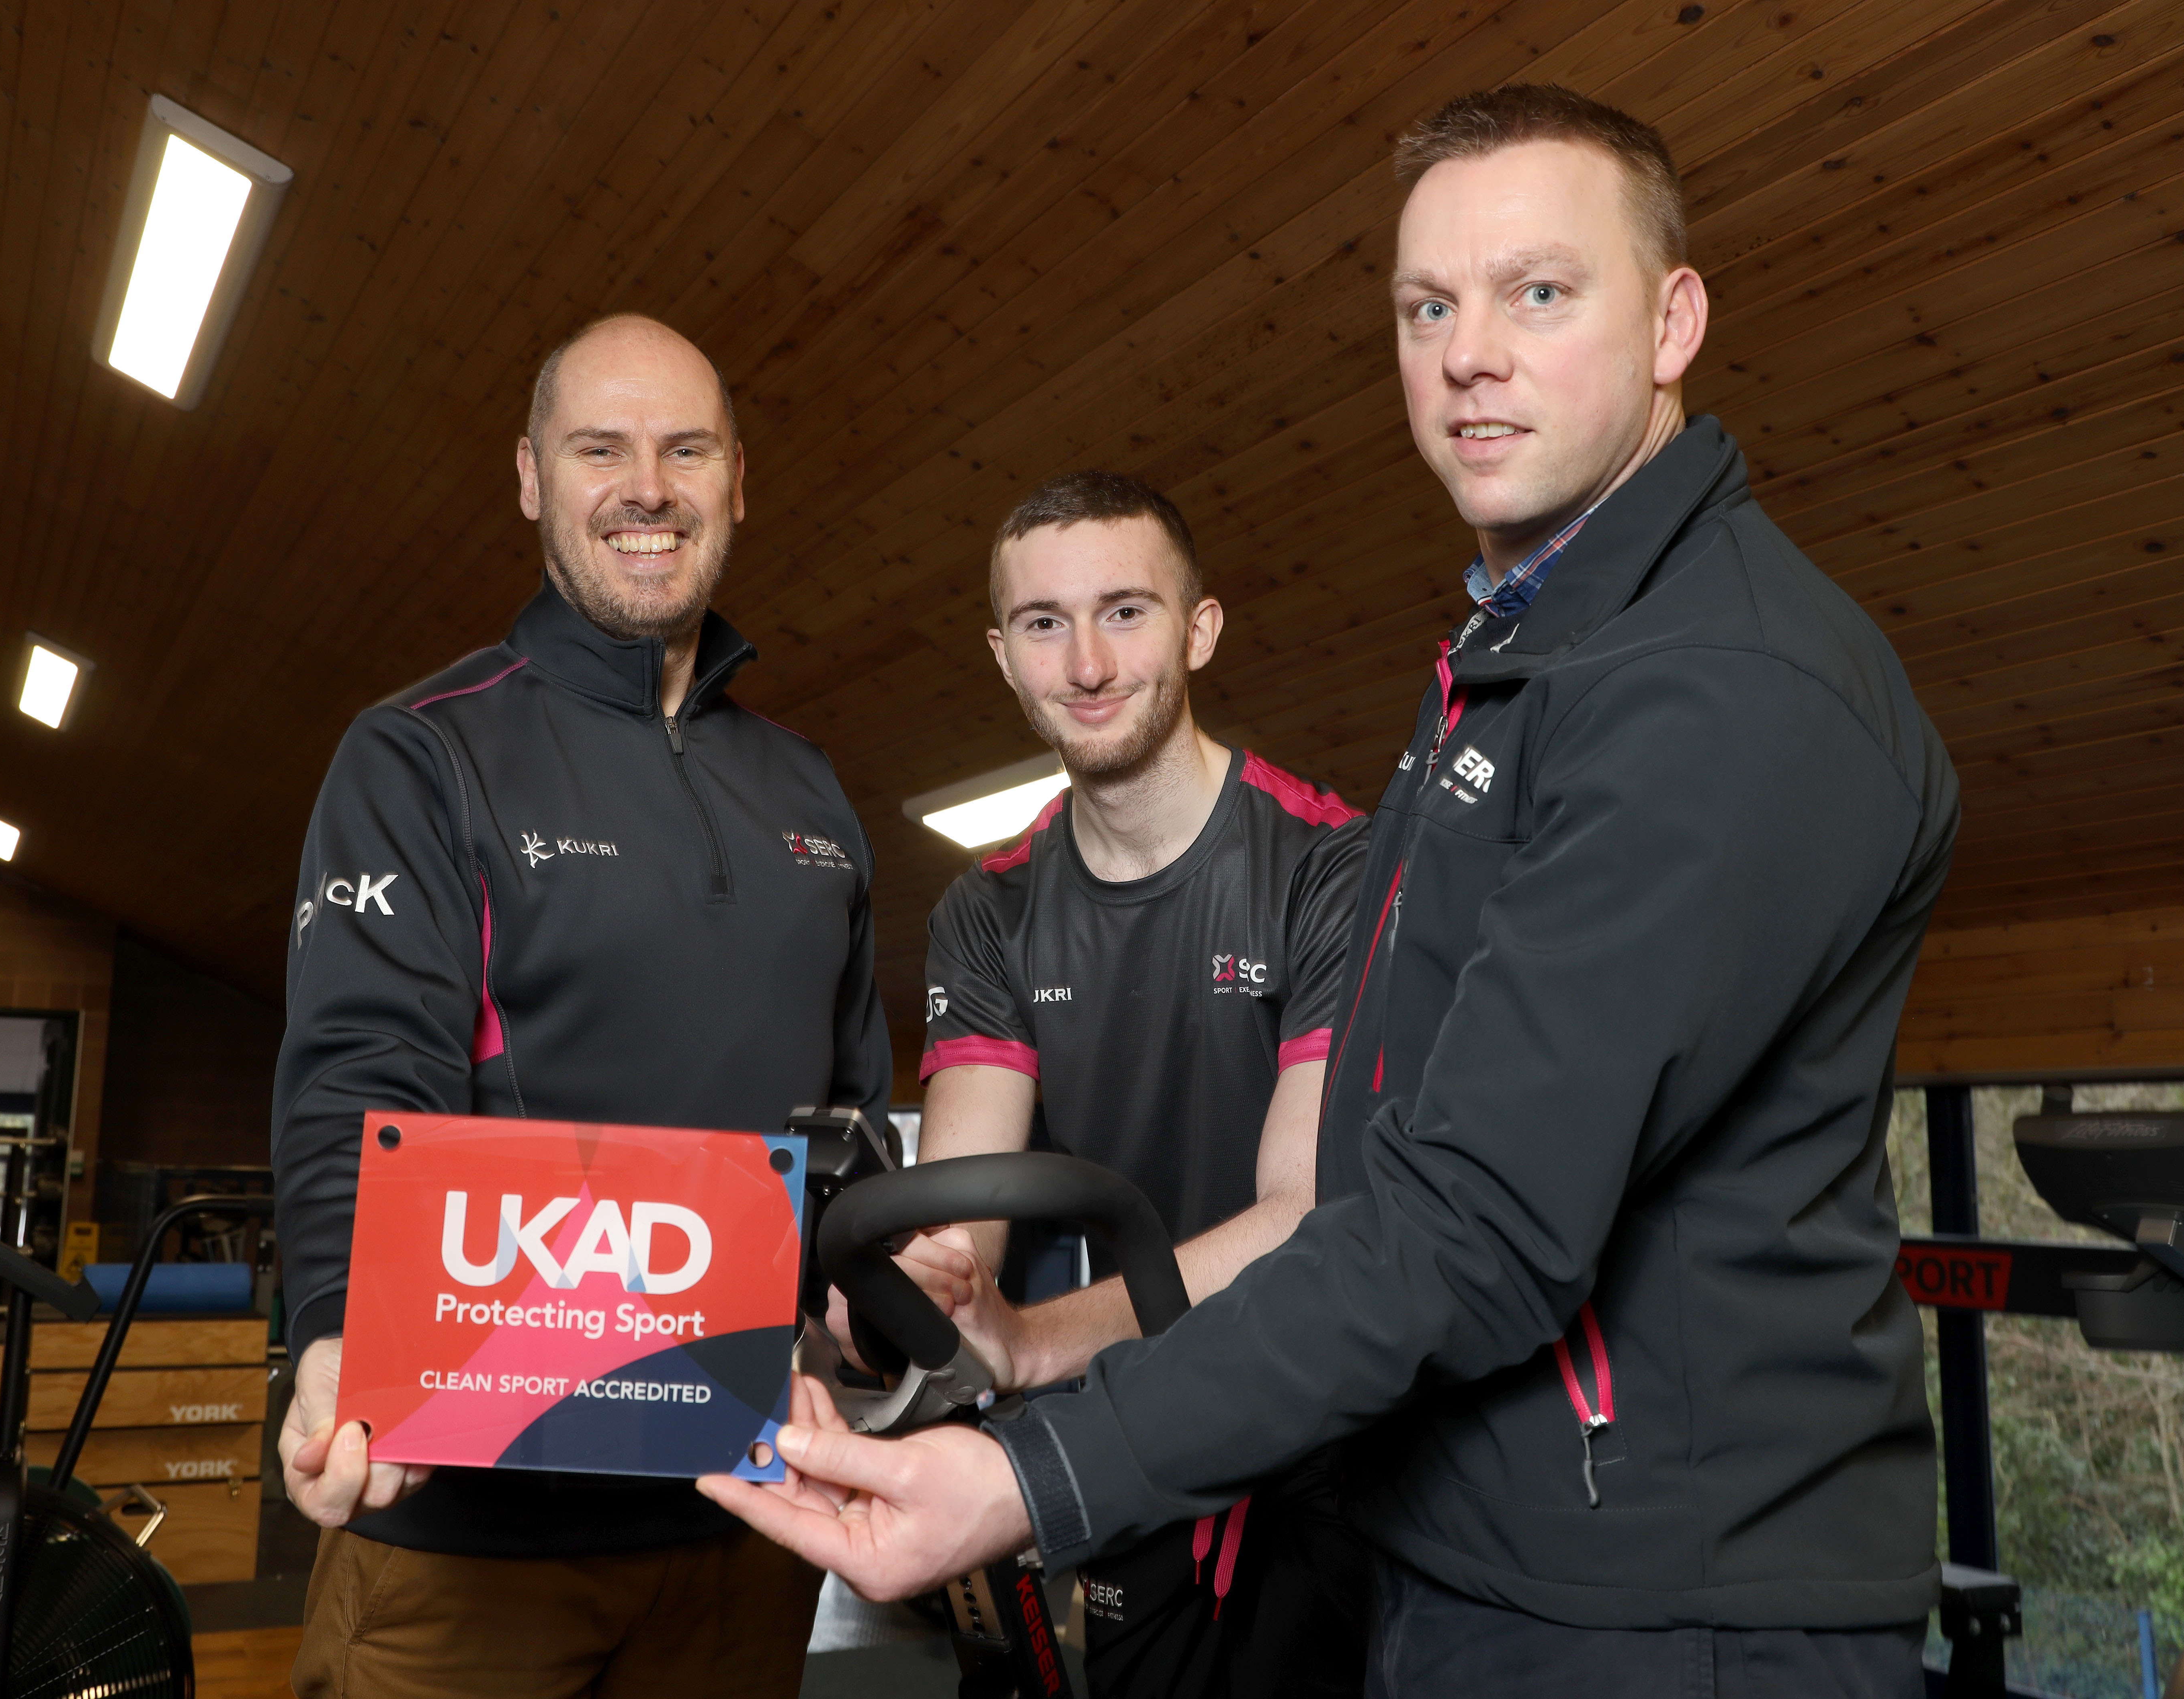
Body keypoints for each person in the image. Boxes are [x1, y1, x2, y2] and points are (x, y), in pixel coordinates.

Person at [706, 84, 1961, 1698]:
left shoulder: (1720, 687)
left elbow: (1469, 1224)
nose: (1468, 353)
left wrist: (1038, 1468)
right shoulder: (1521, 668)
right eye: (1427, 307)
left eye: (1538, 293)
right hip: (1470, 1552)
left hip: (1659, 1608)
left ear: (1673, 321)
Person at [271, 313, 891, 1698]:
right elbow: (358, 1071)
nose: (647, 487)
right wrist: (329, 1326)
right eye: (599, 447)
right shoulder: (424, 753)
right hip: (471, 1534)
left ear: (737, 476)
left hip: (746, 1516)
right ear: (531, 478)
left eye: (685, 449)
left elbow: (850, 1113)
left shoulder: (811, 791)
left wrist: (870, 1289)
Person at [886, 470, 1371, 1696]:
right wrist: (897, 1296)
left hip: (1315, 1437)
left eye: (1126, 612)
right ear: (1004, 656)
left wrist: (1033, 1343)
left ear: (1198, 628)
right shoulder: (987, 908)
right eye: (1045, 624)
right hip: (1116, 1450)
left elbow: (1303, 1218)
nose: (1088, 663)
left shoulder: (1330, 866)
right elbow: (959, 1221)